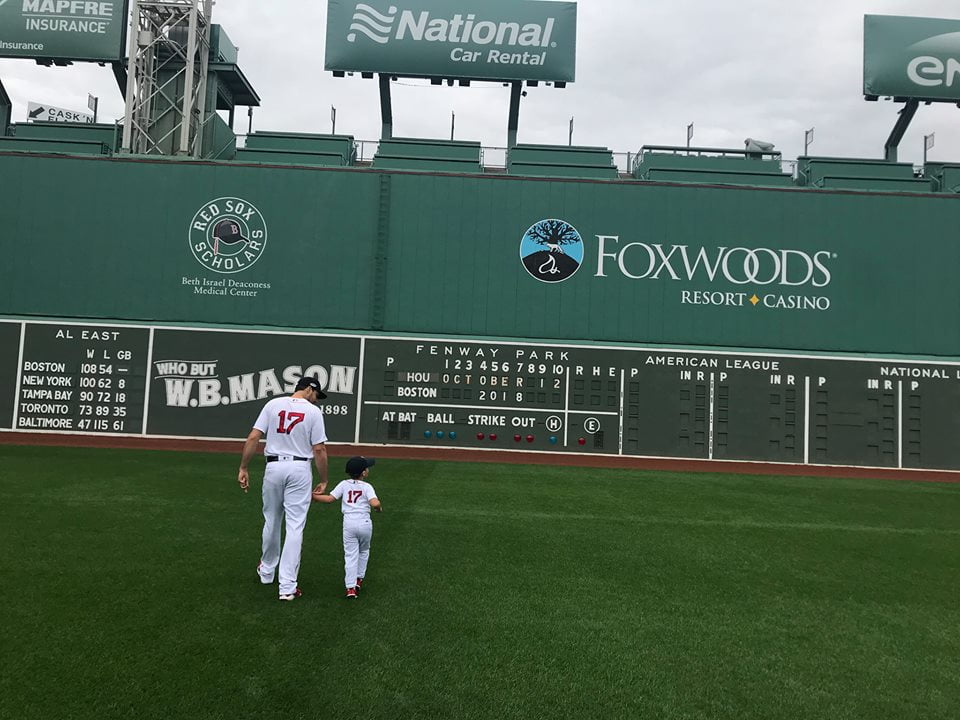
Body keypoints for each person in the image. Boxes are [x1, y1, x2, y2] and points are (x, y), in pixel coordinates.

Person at [238, 375, 329, 601]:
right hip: (299, 468)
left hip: (274, 467)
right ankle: (287, 586)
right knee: (295, 526)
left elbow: (253, 437)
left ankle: (267, 571)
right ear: (309, 389)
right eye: (317, 395)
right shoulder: (313, 412)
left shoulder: (272, 404)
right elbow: (319, 450)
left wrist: (244, 467)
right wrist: (324, 479)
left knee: (271, 519)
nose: (317, 400)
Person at [312, 456, 382, 599]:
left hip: (349, 523)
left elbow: (330, 499)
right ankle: (358, 579)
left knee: (350, 555)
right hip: (364, 523)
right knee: (364, 551)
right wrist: (378, 508)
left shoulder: (344, 484)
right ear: (364, 473)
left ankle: (350, 588)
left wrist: (312, 496)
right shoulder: (367, 487)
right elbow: (374, 503)